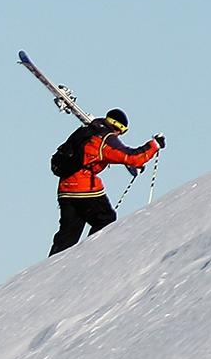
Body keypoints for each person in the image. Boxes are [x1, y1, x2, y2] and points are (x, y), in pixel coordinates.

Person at [48, 108, 164, 256]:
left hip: (65, 187)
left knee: (67, 236)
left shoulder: (89, 130)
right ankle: (88, 258)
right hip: (84, 188)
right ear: (118, 128)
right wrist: (154, 145)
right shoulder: (105, 139)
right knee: (105, 219)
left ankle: (51, 268)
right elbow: (132, 157)